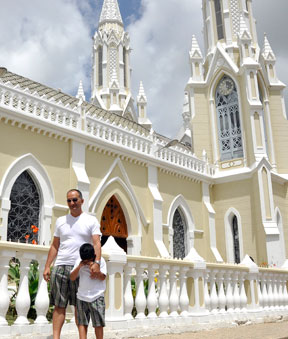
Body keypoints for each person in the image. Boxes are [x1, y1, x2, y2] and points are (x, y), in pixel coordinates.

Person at [43, 189, 102, 339]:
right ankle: (56, 337)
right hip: (61, 267)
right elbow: (55, 245)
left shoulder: (90, 220)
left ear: (82, 201)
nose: (72, 203)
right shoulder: (61, 221)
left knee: (79, 307)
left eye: (75, 200)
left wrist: (96, 263)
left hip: (81, 268)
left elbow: (96, 243)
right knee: (59, 306)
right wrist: (47, 266)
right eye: (69, 200)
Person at [70, 243, 106, 339]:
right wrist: (79, 266)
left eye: (88, 260)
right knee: (82, 323)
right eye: (84, 261)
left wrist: (94, 268)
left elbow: (103, 277)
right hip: (81, 297)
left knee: (98, 324)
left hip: (97, 297)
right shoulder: (79, 261)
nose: (86, 262)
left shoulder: (101, 261)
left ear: (93, 256)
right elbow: (72, 277)